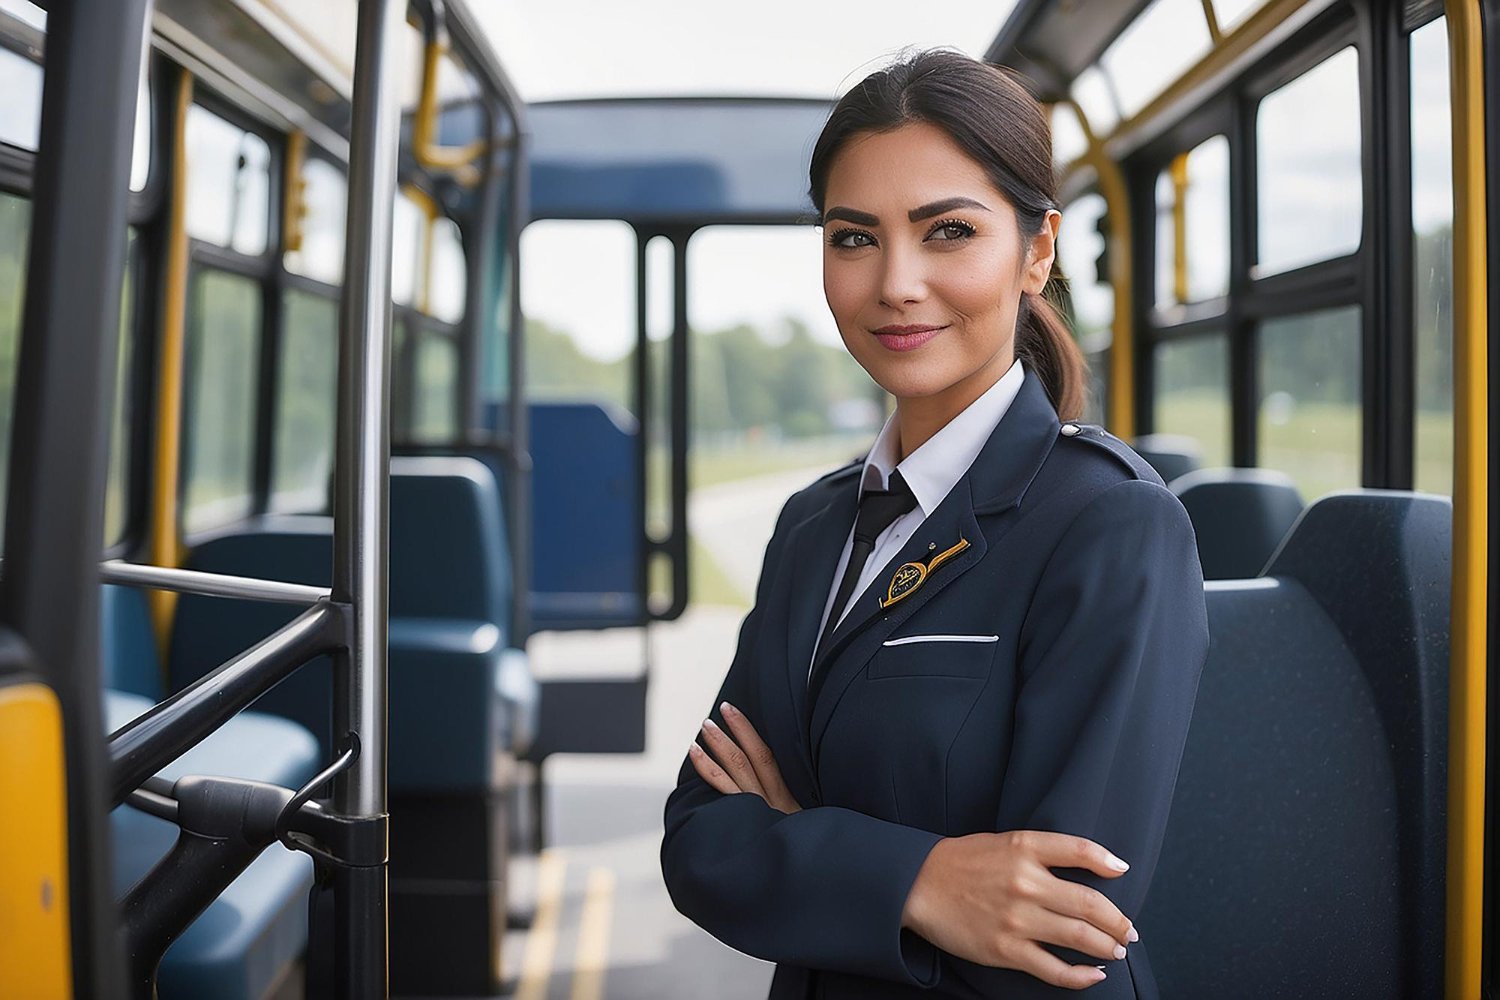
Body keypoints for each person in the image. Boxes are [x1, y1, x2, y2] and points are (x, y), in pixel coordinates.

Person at [660, 49, 1208, 1000]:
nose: (896, 285)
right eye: (854, 237)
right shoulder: (811, 528)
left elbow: (1061, 927)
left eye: (948, 231)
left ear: (1037, 253)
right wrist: (926, 881)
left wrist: (797, 837)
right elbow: (701, 838)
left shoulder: (1113, 526)